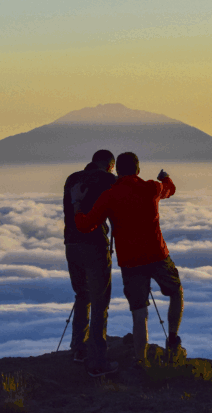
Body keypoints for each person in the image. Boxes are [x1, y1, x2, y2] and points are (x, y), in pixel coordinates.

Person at [75, 151, 184, 369]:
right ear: (138, 170)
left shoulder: (109, 196)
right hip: (157, 255)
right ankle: (173, 340)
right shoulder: (152, 188)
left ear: (117, 171)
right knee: (176, 292)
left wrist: (77, 204)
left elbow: (86, 225)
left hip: (130, 262)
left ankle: (140, 359)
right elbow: (169, 189)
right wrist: (165, 177)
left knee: (138, 310)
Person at [63, 149, 119, 377]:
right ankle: (97, 362)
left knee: (82, 295)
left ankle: (79, 349)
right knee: (99, 302)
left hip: (71, 244)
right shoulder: (109, 180)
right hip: (94, 245)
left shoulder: (72, 178)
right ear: (110, 165)